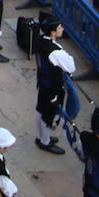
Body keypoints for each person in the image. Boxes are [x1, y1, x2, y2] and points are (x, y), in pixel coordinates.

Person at [34, 18, 77, 155]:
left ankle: (42, 138)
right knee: (49, 113)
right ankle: (44, 141)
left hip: (43, 83)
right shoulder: (55, 52)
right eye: (59, 28)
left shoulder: (41, 40)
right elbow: (71, 67)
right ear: (53, 32)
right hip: (53, 86)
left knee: (41, 108)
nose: (62, 29)